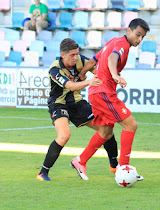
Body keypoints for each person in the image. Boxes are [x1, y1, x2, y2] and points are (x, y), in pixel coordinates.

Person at [70, 18, 150, 181]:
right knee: (131, 124)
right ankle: (124, 168)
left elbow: (94, 60)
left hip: (96, 92)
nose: (139, 39)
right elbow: (112, 59)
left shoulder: (113, 41)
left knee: (106, 132)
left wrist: (82, 74)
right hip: (103, 92)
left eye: (142, 37)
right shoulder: (123, 45)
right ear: (129, 31)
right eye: (138, 34)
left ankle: (80, 161)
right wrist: (114, 75)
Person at [36, 38, 119, 181]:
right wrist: (89, 81)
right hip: (59, 104)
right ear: (63, 55)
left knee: (106, 129)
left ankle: (115, 166)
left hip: (77, 103)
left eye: (77, 54)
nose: (76, 58)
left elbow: (98, 68)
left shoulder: (80, 60)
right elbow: (70, 86)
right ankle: (42, 173)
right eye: (72, 55)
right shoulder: (55, 69)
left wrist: (111, 75)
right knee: (64, 135)